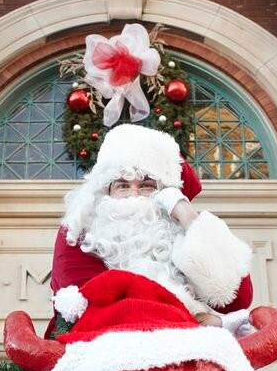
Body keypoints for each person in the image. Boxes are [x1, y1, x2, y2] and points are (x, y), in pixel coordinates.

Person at [49, 123, 254, 335]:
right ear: (106, 191)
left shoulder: (177, 227)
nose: (134, 195)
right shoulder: (79, 231)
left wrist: (186, 215)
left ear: (165, 191)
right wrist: (196, 319)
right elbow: (93, 303)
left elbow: (239, 298)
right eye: (122, 186)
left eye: (147, 185)